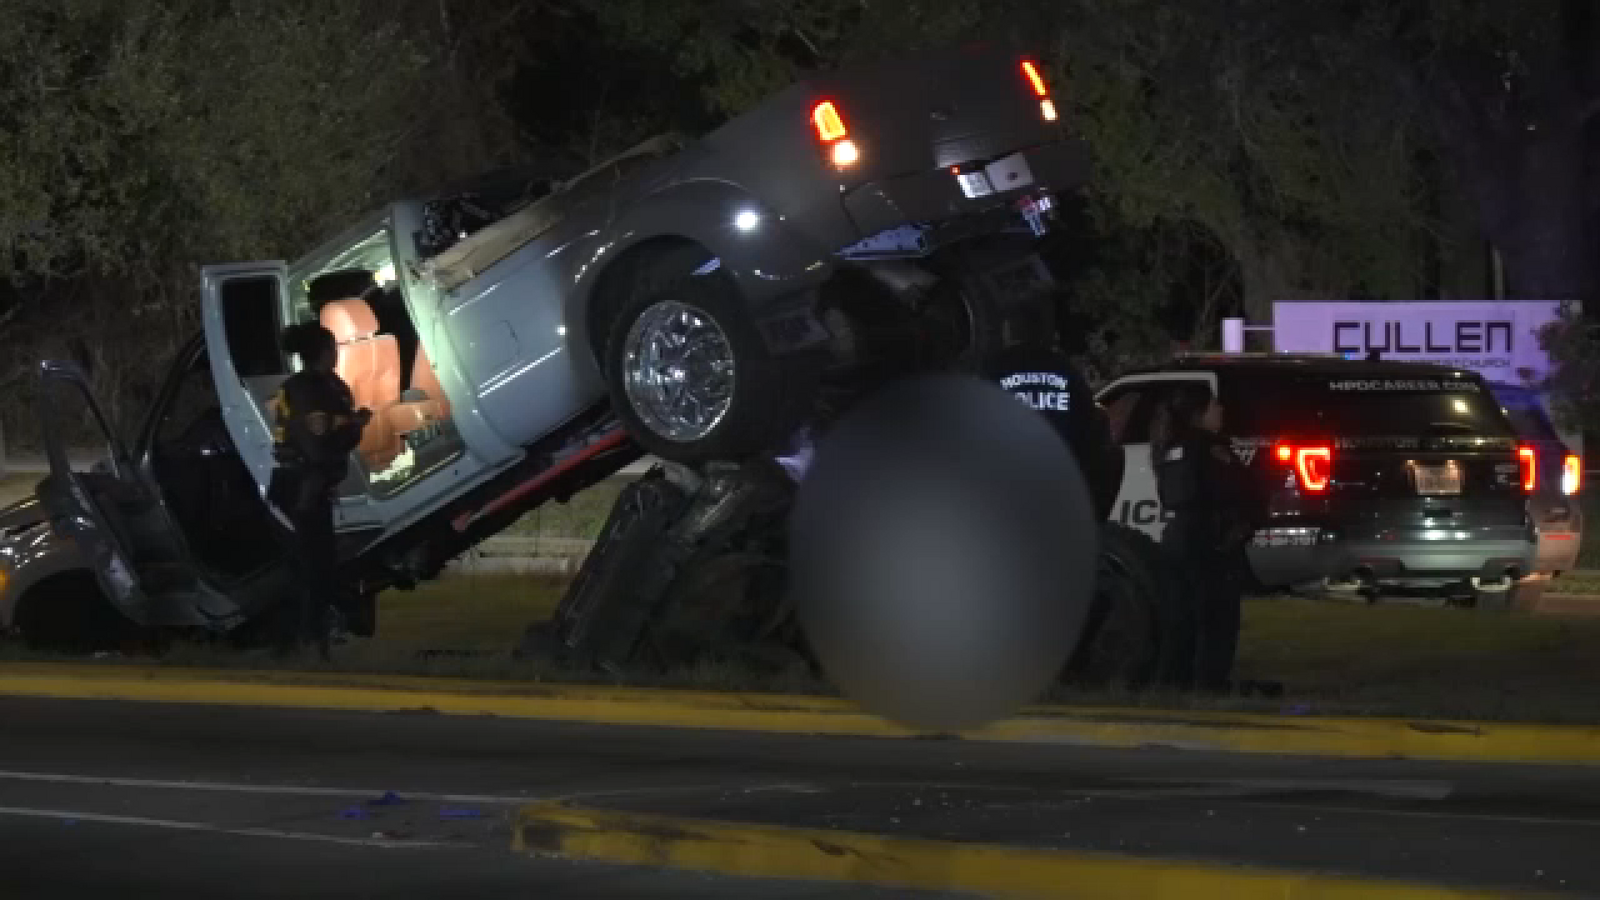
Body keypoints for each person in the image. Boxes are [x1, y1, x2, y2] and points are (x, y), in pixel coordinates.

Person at [266, 322, 371, 656]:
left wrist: (351, 427)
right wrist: (352, 427)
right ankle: (309, 641)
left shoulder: (315, 386)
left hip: (307, 487)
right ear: (323, 352)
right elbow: (318, 444)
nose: (337, 354)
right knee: (315, 568)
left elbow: (336, 434)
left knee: (316, 567)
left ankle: (307, 639)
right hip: (301, 490)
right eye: (333, 348)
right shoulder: (311, 390)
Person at [1149, 381, 1252, 693]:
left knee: (1180, 614)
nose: (1221, 410)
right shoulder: (1208, 446)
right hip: (1209, 537)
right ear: (1199, 412)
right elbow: (1239, 487)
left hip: (1176, 537)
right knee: (1217, 614)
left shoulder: (1166, 447)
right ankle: (1209, 683)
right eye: (1214, 405)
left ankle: (1172, 681)